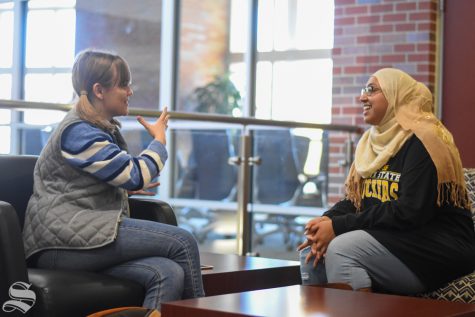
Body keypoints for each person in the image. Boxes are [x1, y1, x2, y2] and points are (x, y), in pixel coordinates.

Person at [22, 49, 205, 310]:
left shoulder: (95, 128)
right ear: (99, 90)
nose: (130, 91)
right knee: (182, 242)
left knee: (167, 272)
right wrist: (159, 141)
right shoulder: (79, 131)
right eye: (124, 84)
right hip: (59, 244)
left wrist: (124, 191)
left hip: (83, 234)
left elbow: (85, 183)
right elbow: (135, 174)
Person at [298, 68, 475, 295]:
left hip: (438, 247)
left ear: (395, 95)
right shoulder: (372, 143)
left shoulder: (425, 139)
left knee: (342, 249)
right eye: (364, 90)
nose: (362, 97)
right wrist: (326, 221)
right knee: (312, 253)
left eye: (371, 90)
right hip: (398, 239)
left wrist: (338, 227)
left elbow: (410, 210)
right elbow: (356, 201)